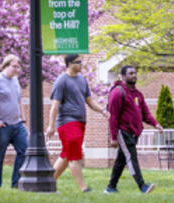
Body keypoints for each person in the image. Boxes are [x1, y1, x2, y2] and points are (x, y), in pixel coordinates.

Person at [46, 54, 109, 192]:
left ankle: (48, 183)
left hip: (80, 122)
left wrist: (102, 111)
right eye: (78, 62)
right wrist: (51, 126)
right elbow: (55, 105)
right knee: (74, 155)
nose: (81, 64)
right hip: (67, 122)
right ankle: (83, 188)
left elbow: (90, 100)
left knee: (67, 154)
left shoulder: (82, 80)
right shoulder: (61, 81)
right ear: (69, 64)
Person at [105, 65, 162, 194]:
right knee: (131, 157)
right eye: (131, 73)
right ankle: (143, 186)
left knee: (121, 160)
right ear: (123, 76)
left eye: (135, 73)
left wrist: (155, 124)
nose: (134, 75)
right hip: (123, 131)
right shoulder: (117, 92)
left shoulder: (138, 94)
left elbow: (145, 114)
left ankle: (110, 187)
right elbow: (113, 117)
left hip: (134, 132)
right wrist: (113, 137)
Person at [0, 54, 28, 188]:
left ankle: (16, 183)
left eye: (18, 67)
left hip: (17, 125)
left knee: (24, 150)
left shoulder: (15, 80)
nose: (17, 69)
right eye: (14, 66)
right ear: (6, 66)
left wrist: (23, 118)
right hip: (0, 125)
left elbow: (19, 100)